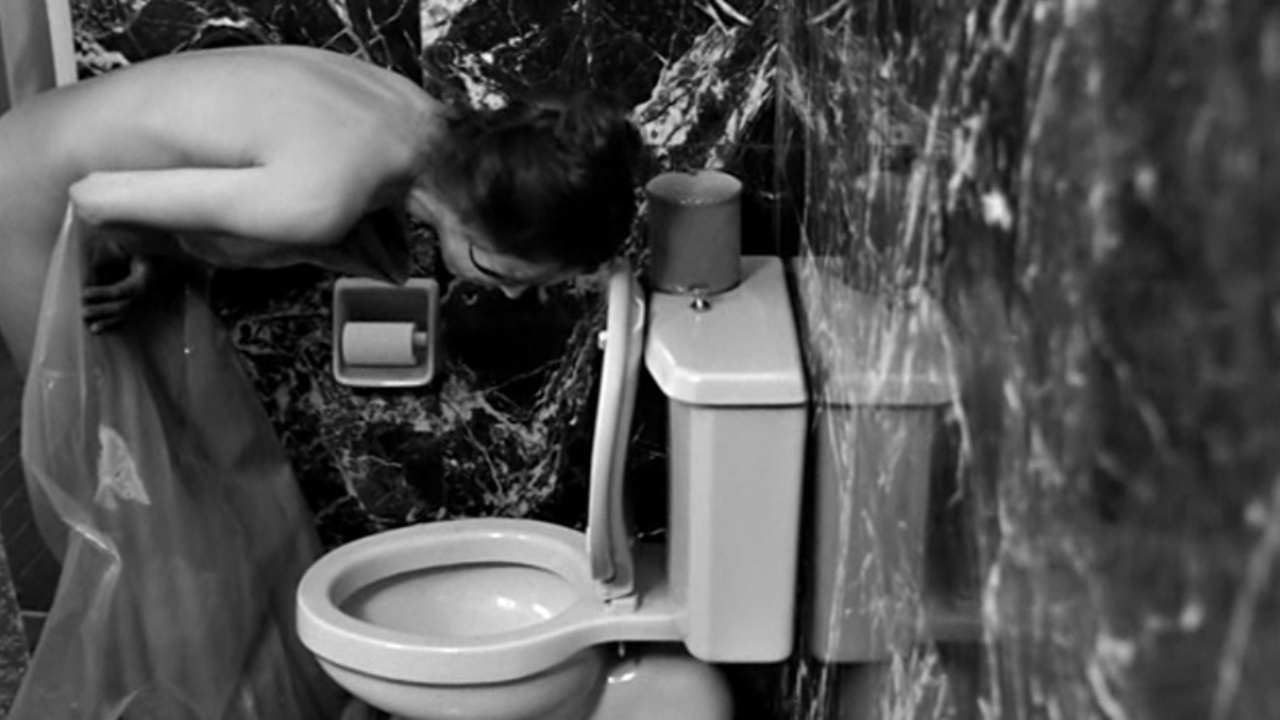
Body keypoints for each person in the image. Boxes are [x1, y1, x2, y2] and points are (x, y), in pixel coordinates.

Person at [0, 43, 643, 373]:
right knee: (90, 466)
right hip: (23, 189)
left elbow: (185, 141)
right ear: (474, 216)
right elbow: (93, 196)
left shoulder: (417, 119)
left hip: (44, 143)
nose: (509, 294)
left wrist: (152, 257)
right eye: (505, 273)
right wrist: (137, 248)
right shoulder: (325, 197)